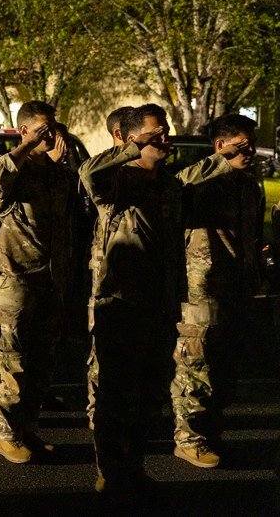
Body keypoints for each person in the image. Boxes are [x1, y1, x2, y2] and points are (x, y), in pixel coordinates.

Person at [79, 103, 235, 496]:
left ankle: (134, 467)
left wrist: (226, 155)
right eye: (156, 133)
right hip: (121, 304)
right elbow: (88, 172)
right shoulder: (117, 181)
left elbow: (193, 185)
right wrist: (134, 147)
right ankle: (112, 476)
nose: (164, 138)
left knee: (150, 396)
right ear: (133, 139)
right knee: (116, 396)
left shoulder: (167, 184)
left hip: (161, 304)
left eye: (164, 131)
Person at [0, 101, 76, 463]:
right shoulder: (10, 170)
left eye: (52, 127)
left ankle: (28, 428)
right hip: (14, 278)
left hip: (50, 279)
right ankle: (5, 434)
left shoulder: (57, 173)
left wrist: (57, 159)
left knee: (41, 360)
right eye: (42, 129)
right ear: (24, 131)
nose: (50, 134)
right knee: (11, 360)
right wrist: (25, 145)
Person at [171, 113, 261, 468]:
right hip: (201, 289)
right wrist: (220, 161)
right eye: (241, 143)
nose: (250, 150)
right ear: (220, 146)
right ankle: (188, 438)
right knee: (195, 367)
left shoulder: (248, 185)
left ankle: (212, 432)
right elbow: (176, 187)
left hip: (237, 288)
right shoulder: (197, 182)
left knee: (225, 368)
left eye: (251, 143)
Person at [86, 106, 134, 431]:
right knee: (103, 351)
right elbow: (88, 174)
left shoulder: (151, 177)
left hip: (140, 279)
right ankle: (98, 413)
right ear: (120, 137)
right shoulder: (110, 174)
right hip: (108, 280)